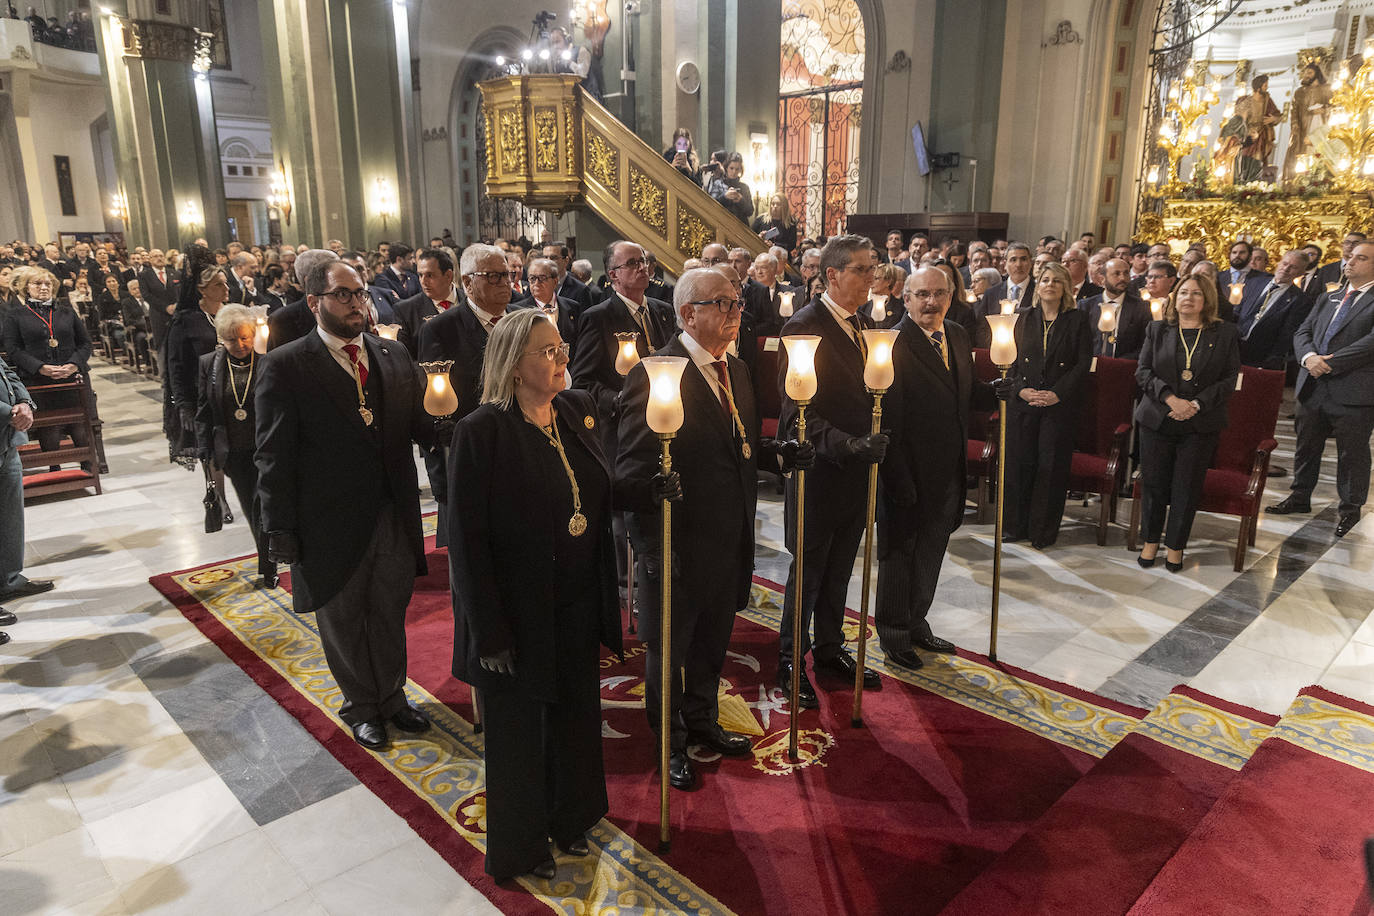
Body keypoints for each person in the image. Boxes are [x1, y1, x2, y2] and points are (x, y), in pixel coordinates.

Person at [448, 309, 620, 882]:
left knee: (575, 717)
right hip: (514, 614)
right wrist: (489, 631)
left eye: (561, 346)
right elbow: (467, 543)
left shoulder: (575, 411)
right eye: (546, 351)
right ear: (513, 365)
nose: (561, 357)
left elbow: (601, 494)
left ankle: (571, 817)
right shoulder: (482, 431)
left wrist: (654, 491)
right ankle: (521, 846)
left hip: (574, 602)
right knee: (519, 736)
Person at [256, 258, 438, 750]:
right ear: (315, 302)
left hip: (393, 512)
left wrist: (455, 421)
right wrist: (278, 531)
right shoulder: (286, 364)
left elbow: (422, 425)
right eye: (344, 295)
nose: (358, 303)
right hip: (327, 520)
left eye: (360, 293)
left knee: (388, 609)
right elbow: (272, 455)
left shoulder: (392, 354)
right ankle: (362, 705)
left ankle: (394, 698)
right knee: (343, 617)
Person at [616, 267, 779, 790]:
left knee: (713, 642)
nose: (736, 315)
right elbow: (630, 473)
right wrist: (653, 549)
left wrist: (780, 455)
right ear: (689, 313)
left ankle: (705, 721)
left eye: (737, 305)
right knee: (671, 651)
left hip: (727, 538)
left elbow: (739, 453)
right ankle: (671, 742)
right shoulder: (657, 374)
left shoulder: (738, 371)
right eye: (724, 305)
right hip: (676, 543)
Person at [775, 234, 886, 707]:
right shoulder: (804, 328)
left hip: (855, 476)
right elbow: (799, 416)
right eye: (862, 270)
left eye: (874, 268)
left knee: (840, 568)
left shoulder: (862, 325)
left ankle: (828, 648)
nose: (871, 279)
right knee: (810, 572)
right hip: (819, 473)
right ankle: (788, 660)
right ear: (833, 275)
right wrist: (850, 444)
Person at [877, 267, 1005, 668]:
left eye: (938, 294)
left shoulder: (957, 334)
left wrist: (992, 391)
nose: (930, 302)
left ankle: (917, 623)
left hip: (948, 470)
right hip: (908, 471)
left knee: (932, 550)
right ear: (906, 298)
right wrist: (896, 477)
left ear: (951, 296)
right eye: (922, 295)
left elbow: (958, 394)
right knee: (901, 556)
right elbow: (889, 420)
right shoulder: (892, 344)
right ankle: (895, 634)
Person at [1135, 275, 1241, 571]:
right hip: (1158, 417)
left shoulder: (1225, 333)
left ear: (1206, 300)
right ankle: (1150, 541)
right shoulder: (1157, 329)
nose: (1188, 298)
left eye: (1196, 294)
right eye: (1183, 292)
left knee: (1187, 486)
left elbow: (1230, 378)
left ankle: (1176, 546)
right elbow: (1143, 372)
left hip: (1200, 421)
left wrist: (1195, 404)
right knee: (1154, 484)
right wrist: (1171, 399)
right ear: (1174, 297)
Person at [1269, 239, 1374, 537]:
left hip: (1354, 390)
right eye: (1350, 257)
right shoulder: (1330, 296)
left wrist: (1330, 362)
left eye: (1360, 258)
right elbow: (1303, 330)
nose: (1350, 262)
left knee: (1351, 454)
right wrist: (1308, 357)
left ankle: (1350, 510)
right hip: (1313, 385)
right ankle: (1300, 496)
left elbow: (1370, 344)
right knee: (1306, 446)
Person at [1004, 260, 1092, 548]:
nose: (1050, 285)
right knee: (1020, 465)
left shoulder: (1076, 320)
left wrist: (1057, 393)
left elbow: (1082, 365)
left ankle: (1042, 532)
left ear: (1065, 286)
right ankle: (1016, 526)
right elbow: (1009, 362)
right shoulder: (1022, 318)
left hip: (1058, 406)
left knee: (1050, 469)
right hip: (1025, 402)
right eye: (1045, 280)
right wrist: (1021, 391)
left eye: (1056, 280)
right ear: (1037, 286)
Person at [195, 305, 277, 588]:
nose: (240, 345)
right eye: (232, 339)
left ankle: (274, 558)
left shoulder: (268, 360)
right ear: (221, 339)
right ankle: (268, 563)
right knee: (253, 507)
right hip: (235, 453)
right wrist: (204, 449)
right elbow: (204, 410)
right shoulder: (209, 364)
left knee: (269, 505)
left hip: (268, 449)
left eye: (244, 337)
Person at [1, 267, 92, 454]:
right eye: (38, 283)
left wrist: (74, 364)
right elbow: (13, 349)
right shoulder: (15, 315)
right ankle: (54, 468)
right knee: (50, 427)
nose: (44, 287)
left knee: (78, 424)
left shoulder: (66, 312)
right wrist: (41, 368)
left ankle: (88, 466)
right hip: (38, 379)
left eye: (48, 284)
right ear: (26, 288)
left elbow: (85, 343)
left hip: (72, 377)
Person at [0, 353, 53, 630]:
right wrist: (7, 412)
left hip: (6, 438)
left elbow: (6, 371)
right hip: (5, 422)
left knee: (10, 516)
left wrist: (23, 402)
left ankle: (9, 580)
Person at [163, 250, 228, 468]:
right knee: (210, 452)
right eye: (219, 285)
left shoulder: (231, 313)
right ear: (202, 289)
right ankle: (216, 497)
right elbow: (176, 366)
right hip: (201, 394)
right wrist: (184, 405)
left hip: (232, 390)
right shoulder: (186, 321)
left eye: (225, 283)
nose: (226, 289)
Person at [1083, 257, 1151, 359]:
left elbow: (1145, 345)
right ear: (1102, 278)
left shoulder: (1141, 307)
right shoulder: (1086, 306)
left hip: (1125, 367)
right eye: (1117, 274)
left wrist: (1118, 364)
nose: (1123, 278)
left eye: (1126, 273)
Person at [708, 152, 754, 224]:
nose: (734, 172)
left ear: (740, 170)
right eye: (731, 168)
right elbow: (711, 206)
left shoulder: (744, 187)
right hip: (723, 225)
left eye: (737, 169)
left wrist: (741, 200)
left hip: (741, 227)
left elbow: (750, 212)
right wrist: (724, 196)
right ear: (726, 168)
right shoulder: (718, 184)